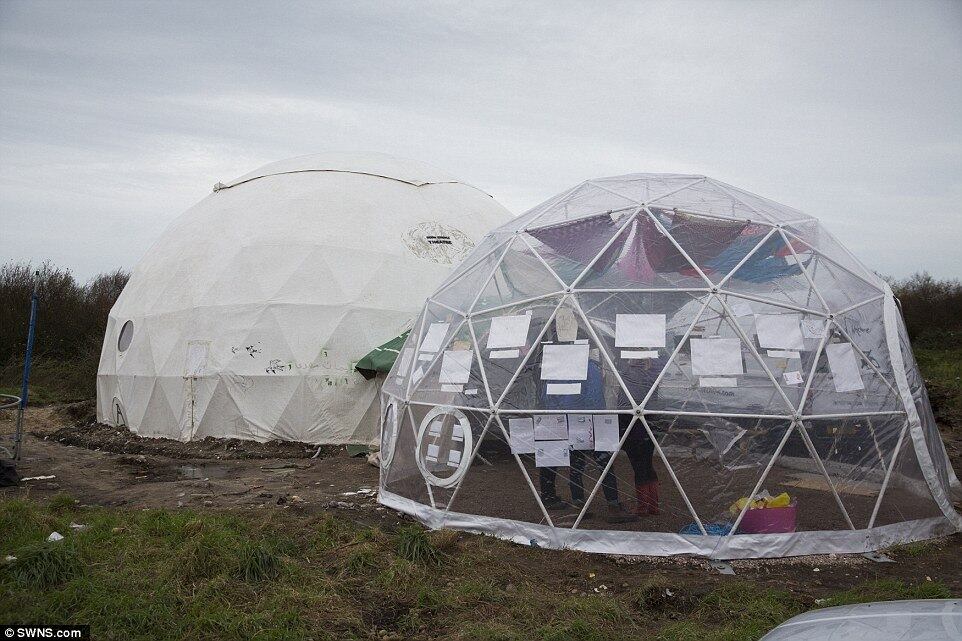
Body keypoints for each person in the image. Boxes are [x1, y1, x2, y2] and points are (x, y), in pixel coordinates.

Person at [618, 355, 665, 516]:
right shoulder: (653, 373)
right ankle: (653, 505)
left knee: (638, 466)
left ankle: (643, 506)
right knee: (647, 464)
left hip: (633, 426)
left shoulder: (628, 374)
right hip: (650, 424)